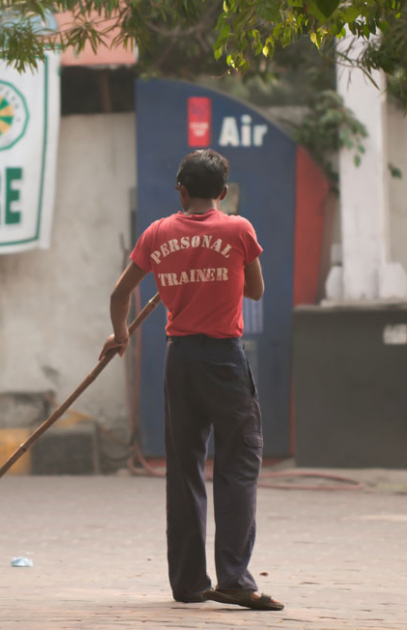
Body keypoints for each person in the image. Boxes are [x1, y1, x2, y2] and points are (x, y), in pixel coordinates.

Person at [99, 149, 283, 611]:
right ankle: (235, 580)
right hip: (224, 360)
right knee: (238, 465)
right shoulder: (239, 229)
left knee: (183, 470)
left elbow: (120, 294)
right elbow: (256, 289)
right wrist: (220, 272)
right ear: (222, 193)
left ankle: (187, 583)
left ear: (180, 188)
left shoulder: (157, 234)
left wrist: (121, 335)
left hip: (179, 361)